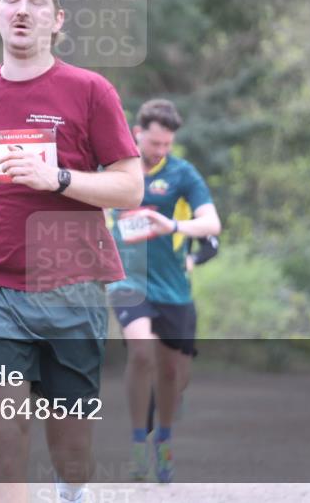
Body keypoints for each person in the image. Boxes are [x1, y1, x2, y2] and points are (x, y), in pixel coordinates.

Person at [0, 0, 143, 503]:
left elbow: (129, 188)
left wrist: (60, 178)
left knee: (71, 450)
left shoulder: (90, 91)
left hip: (73, 286)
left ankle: (72, 492)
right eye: (11, 0)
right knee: (5, 429)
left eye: (37, 2)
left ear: (57, 20)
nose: (22, 9)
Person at [106, 99, 221, 483]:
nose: (161, 151)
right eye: (155, 143)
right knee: (141, 353)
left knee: (173, 372)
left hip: (173, 288)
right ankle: (139, 441)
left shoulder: (182, 174)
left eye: (167, 145)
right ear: (138, 134)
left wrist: (169, 225)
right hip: (128, 282)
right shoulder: (115, 167)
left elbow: (211, 224)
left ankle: (164, 438)